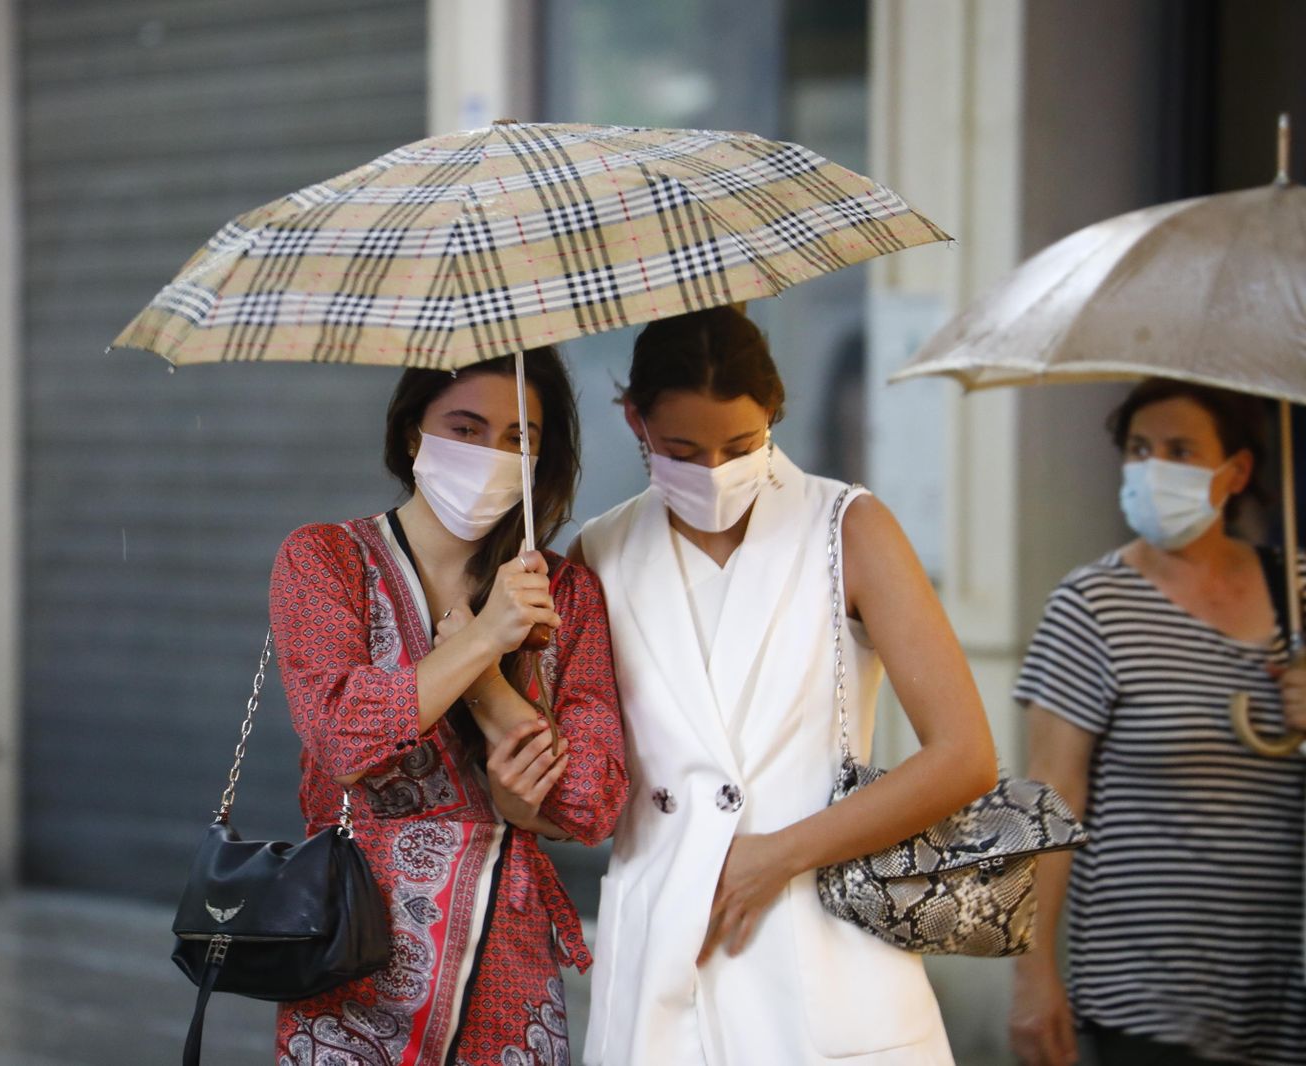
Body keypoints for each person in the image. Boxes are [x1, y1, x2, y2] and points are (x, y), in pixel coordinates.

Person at [575, 307, 997, 1065]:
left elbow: (964, 755)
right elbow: (584, 780)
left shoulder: (847, 527)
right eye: (681, 450)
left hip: (818, 939)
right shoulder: (598, 552)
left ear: (773, 413)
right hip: (666, 941)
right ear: (633, 419)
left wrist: (777, 853)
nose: (712, 473)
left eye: (739, 447)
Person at [268, 349, 628, 1065]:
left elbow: (593, 801)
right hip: (348, 957)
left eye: (517, 438)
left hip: (505, 965)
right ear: (412, 433)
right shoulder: (325, 560)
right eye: (464, 428)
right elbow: (341, 737)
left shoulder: (566, 596)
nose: (491, 455)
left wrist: (494, 698)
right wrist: (485, 639)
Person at [1010, 379, 1306, 1066]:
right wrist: (1033, 974)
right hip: (1144, 998)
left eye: (1180, 450)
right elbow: (1050, 796)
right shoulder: (1093, 604)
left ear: (1236, 471)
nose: (1153, 470)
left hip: (1281, 991)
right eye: (1139, 449)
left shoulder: (1297, 591)